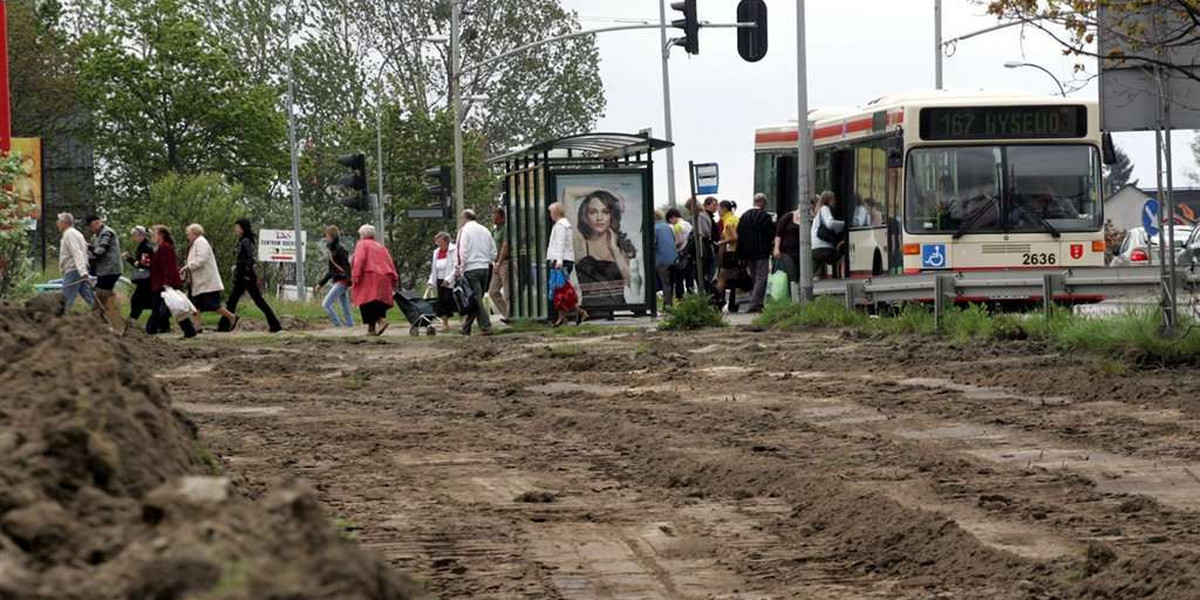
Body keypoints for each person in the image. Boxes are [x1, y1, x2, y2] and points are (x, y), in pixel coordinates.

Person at [573, 190, 635, 308]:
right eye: (593, 212)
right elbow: (569, 193)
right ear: (585, 217)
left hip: (618, 311)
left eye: (605, 212)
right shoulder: (580, 245)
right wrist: (610, 192)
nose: (599, 218)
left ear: (612, 216)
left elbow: (632, 283)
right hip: (591, 311)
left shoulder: (620, 246)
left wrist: (615, 251)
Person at [221, 219, 281, 333]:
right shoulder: (242, 241)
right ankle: (224, 326)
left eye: (237, 227)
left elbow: (249, 259)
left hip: (245, 277)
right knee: (235, 301)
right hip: (243, 276)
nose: (235, 229)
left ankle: (275, 325)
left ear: (242, 228)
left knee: (254, 301)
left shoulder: (246, 241)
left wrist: (245, 274)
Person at [182, 224, 239, 332]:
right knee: (195, 304)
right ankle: (197, 326)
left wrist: (188, 267)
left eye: (188, 234)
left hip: (206, 282)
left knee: (213, 305)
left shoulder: (201, 242)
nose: (187, 236)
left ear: (195, 233)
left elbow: (201, 259)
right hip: (199, 282)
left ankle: (232, 317)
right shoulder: (196, 243)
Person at [146, 225, 198, 338]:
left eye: (155, 233)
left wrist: (166, 282)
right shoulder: (162, 247)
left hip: (164, 282)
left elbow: (168, 266)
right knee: (173, 306)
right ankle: (189, 331)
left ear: (161, 235)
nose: (153, 236)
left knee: (158, 308)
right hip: (162, 282)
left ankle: (149, 332)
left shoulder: (165, 247)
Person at [454, 209, 497, 336]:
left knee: (476, 299)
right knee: (475, 298)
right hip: (485, 268)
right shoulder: (485, 230)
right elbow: (493, 251)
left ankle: (486, 327)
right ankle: (466, 328)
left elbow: (462, 250)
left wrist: (459, 267)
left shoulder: (464, 231)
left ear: (464, 218)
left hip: (471, 269)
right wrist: (488, 260)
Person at [351, 224, 398, 336]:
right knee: (379, 303)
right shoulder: (380, 246)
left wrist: (355, 275)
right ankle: (371, 329)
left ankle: (381, 321)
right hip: (384, 277)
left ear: (362, 235)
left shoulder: (361, 244)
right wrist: (394, 278)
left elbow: (360, 259)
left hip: (369, 277)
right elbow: (389, 262)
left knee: (366, 302)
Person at [736, 194, 776, 313]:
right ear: (763, 202)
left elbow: (739, 234)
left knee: (754, 277)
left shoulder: (744, 216)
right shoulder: (765, 216)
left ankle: (757, 303)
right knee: (761, 278)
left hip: (747, 253)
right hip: (761, 252)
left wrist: (741, 253)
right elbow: (770, 234)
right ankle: (754, 304)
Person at [85, 215, 125, 331]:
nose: (92, 229)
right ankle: (99, 319)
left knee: (103, 294)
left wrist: (88, 254)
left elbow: (100, 251)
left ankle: (114, 322)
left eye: (93, 225)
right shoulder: (96, 235)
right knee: (100, 293)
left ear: (98, 222)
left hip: (110, 269)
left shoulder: (107, 233)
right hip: (103, 270)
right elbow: (95, 250)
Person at [316, 226, 354, 328]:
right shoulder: (333, 250)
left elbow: (347, 267)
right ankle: (350, 326)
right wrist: (321, 283)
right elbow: (331, 271)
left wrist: (349, 281)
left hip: (342, 281)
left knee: (326, 304)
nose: (325, 238)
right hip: (340, 280)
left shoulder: (340, 250)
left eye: (327, 236)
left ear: (331, 237)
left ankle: (338, 326)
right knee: (345, 307)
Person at [56, 213, 95, 314]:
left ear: (64, 223)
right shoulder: (76, 233)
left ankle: (61, 321)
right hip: (79, 270)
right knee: (89, 297)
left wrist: (82, 272)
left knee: (66, 298)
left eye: (59, 222)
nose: (57, 224)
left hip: (73, 270)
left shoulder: (70, 234)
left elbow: (77, 252)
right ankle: (102, 315)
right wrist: (83, 271)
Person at [546, 202, 575, 323]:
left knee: (559, 291)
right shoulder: (564, 224)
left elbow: (560, 243)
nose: (550, 214)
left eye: (551, 212)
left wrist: (558, 261)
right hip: (564, 260)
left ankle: (562, 318)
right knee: (561, 290)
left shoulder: (560, 226)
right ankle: (568, 315)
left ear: (555, 213)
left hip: (561, 262)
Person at [715, 200, 741, 312]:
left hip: (731, 252)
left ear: (724, 209)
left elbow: (735, 237)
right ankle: (731, 303)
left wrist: (721, 242)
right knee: (734, 279)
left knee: (721, 278)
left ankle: (718, 301)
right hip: (738, 253)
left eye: (719, 209)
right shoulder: (736, 218)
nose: (718, 212)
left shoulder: (728, 221)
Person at [812, 191, 846, 278]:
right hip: (823, 246)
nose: (835, 201)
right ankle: (844, 279)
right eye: (834, 199)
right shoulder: (824, 209)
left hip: (814, 247)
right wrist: (844, 224)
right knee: (843, 260)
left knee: (815, 273)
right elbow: (830, 223)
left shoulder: (818, 211)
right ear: (829, 200)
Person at [125, 226, 155, 321]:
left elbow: (144, 264)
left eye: (134, 236)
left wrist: (130, 259)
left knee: (137, 300)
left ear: (141, 236)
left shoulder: (145, 247)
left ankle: (132, 320)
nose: (133, 238)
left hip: (146, 279)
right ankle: (162, 323)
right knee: (148, 301)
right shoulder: (145, 246)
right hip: (148, 278)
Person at [427, 231, 457, 325]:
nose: (438, 244)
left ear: (446, 241)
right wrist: (431, 281)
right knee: (442, 302)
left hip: (450, 280)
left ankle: (463, 321)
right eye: (437, 242)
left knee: (451, 301)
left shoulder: (454, 250)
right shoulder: (436, 252)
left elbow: (456, 267)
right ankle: (445, 324)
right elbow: (434, 269)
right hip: (440, 280)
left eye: (440, 242)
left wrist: (448, 279)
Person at [487, 207, 510, 323]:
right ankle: (506, 313)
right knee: (492, 291)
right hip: (496, 263)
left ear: (502, 218)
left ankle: (510, 316)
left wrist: (499, 262)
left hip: (505, 262)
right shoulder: (495, 231)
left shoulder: (506, 229)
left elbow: (505, 246)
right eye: (493, 218)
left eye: (496, 218)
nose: (494, 220)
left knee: (507, 291)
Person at [653, 210, 678, 308]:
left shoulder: (654, 228)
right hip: (672, 258)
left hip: (660, 259)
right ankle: (668, 304)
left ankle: (667, 305)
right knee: (669, 283)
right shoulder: (668, 227)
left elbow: (653, 244)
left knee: (664, 282)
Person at [666, 208, 693, 298]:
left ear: (672, 217)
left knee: (679, 279)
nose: (671, 223)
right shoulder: (687, 224)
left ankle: (679, 298)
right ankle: (691, 296)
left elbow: (679, 241)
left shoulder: (677, 226)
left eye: (670, 220)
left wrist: (670, 246)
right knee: (690, 278)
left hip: (682, 254)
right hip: (690, 253)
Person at [773, 208, 802, 284]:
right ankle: (790, 294)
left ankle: (797, 294)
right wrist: (776, 248)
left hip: (801, 253)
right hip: (787, 252)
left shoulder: (808, 220)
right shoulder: (788, 217)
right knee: (791, 276)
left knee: (799, 276)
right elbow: (778, 233)